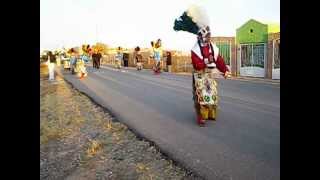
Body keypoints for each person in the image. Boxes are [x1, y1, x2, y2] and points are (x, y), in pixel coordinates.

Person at [174, 5, 231, 126]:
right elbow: (196, 64)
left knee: (212, 94)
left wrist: (224, 70)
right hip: (199, 75)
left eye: (209, 35)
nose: (208, 38)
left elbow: (218, 60)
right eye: (206, 36)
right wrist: (206, 61)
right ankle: (201, 116)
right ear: (200, 36)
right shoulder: (195, 50)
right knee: (200, 95)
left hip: (209, 74)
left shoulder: (213, 47)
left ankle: (210, 114)